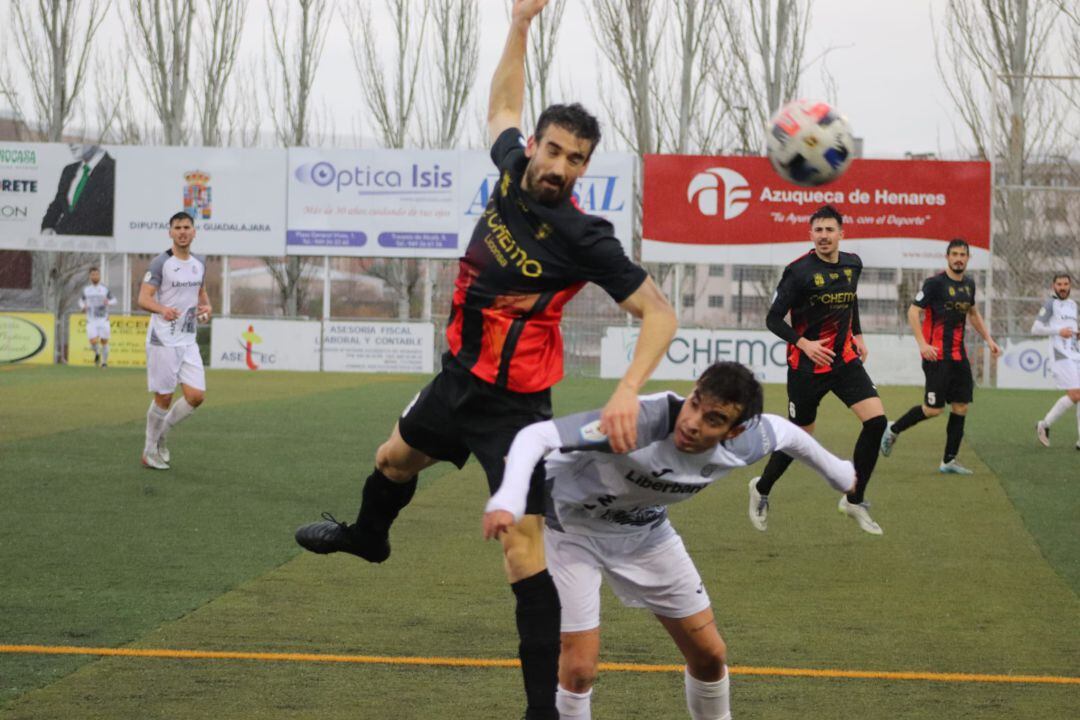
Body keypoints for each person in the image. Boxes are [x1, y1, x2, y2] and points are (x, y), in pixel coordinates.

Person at [293, 2, 677, 718]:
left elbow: (660, 312)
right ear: (536, 147)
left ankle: (540, 712)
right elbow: (502, 101)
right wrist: (521, 24)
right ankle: (370, 539)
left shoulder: (584, 236)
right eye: (555, 150)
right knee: (390, 462)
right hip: (456, 382)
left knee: (523, 549)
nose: (561, 166)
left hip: (516, 412)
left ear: (586, 167)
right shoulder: (509, 170)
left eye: (577, 159)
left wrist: (628, 389)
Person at [482, 362, 856, 720]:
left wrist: (839, 473)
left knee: (710, 655)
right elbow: (536, 435)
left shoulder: (746, 443)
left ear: (734, 432)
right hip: (571, 531)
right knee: (578, 669)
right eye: (695, 405)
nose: (693, 423)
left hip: (646, 533)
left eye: (714, 420)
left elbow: (789, 435)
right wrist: (509, 499)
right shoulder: (640, 420)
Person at [747, 204, 885, 535]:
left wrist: (858, 335)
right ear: (811, 234)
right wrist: (804, 343)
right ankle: (761, 489)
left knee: (877, 422)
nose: (824, 236)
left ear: (841, 233)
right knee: (800, 437)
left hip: (845, 361)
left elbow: (850, 301)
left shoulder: (853, 264)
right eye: (818, 230)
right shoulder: (798, 272)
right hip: (806, 368)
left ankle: (854, 499)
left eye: (830, 230)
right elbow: (772, 319)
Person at [880, 239, 1001, 473]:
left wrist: (989, 339)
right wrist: (922, 344)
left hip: (958, 357)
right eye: (954, 254)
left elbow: (973, 313)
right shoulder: (934, 284)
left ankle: (948, 461)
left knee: (961, 406)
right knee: (933, 409)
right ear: (947, 257)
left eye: (962, 254)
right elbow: (913, 312)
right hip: (936, 356)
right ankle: (893, 429)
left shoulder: (969, 285)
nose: (958, 258)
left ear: (967, 258)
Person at [137, 212, 211, 471]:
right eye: (177, 227)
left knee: (196, 396)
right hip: (163, 339)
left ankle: (162, 434)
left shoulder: (199, 263)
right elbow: (143, 298)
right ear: (170, 232)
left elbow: (201, 294)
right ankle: (149, 451)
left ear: (194, 232)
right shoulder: (161, 263)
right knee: (164, 398)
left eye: (186, 227)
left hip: (188, 339)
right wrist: (161, 309)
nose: (182, 231)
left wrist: (206, 307)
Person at [1032, 273, 1080, 449]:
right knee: (1076, 394)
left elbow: (1072, 329)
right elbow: (1036, 329)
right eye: (1059, 284)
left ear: (1070, 286)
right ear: (1053, 286)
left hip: (1075, 353)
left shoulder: (1073, 305)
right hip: (1060, 355)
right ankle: (1044, 424)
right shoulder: (1050, 304)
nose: (1062, 287)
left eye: (1065, 284)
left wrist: (1076, 333)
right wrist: (1058, 331)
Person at [41, 144, 115, 237]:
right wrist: (47, 227)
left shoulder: (115, 170)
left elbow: (106, 218)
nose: (71, 143)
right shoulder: (69, 170)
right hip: (61, 243)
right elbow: (58, 203)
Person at [78, 266, 117, 367]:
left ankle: (104, 362)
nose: (95, 276)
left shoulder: (104, 289)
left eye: (96, 274)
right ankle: (97, 353)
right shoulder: (86, 290)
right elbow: (81, 301)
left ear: (99, 276)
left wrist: (108, 302)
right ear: (90, 276)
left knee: (104, 341)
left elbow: (114, 300)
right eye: (93, 275)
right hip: (91, 320)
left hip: (103, 319)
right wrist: (83, 306)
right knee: (93, 341)